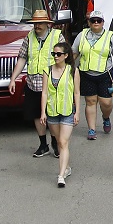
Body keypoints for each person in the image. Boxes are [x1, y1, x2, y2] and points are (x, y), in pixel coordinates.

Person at [9, 9, 63, 159]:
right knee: (36, 114)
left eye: (40, 23)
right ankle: (43, 144)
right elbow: (22, 58)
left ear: (47, 24)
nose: (37, 26)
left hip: (52, 84)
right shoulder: (30, 37)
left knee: (52, 116)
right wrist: (13, 78)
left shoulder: (57, 36)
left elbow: (65, 58)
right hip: (33, 83)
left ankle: (55, 143)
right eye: (35, 23)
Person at [73, 11, 113, 141]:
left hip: (104, 74)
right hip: (86, 73)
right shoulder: (82, 35)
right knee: (90, 102)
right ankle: (91, 129)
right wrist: (67, 69)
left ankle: (106, 117)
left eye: (99, 21)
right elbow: (74, 53)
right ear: (89, 22)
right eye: (93, 20)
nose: (96, 23)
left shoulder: (109, 36)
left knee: (106, 102)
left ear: (103, 23)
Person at [41, 40, 80, 188]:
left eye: (58, 54)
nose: (55, 56)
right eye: (54, 54)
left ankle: (61, 175)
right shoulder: (47, 70)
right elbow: (44, 93)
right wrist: (42, 112)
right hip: (52, 111)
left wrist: (77, 112)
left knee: (63, 142)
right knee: (59, 142)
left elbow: (77, 92)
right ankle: (67, 167)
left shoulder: (72, 71)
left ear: (65, 55)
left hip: (67, 111)